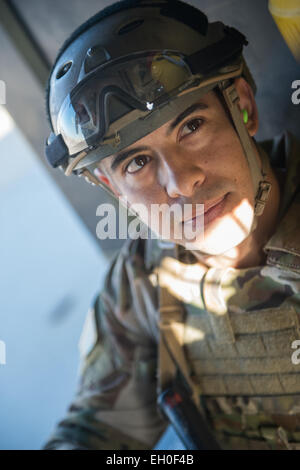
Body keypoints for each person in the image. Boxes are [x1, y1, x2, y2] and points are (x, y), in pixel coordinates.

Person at [42, 0, 300, 450]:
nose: (181, 183)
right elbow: (98, 431)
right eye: (138, 162)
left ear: (243, 108)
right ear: (113, 188)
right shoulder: (143, 280)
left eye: (191, 126)